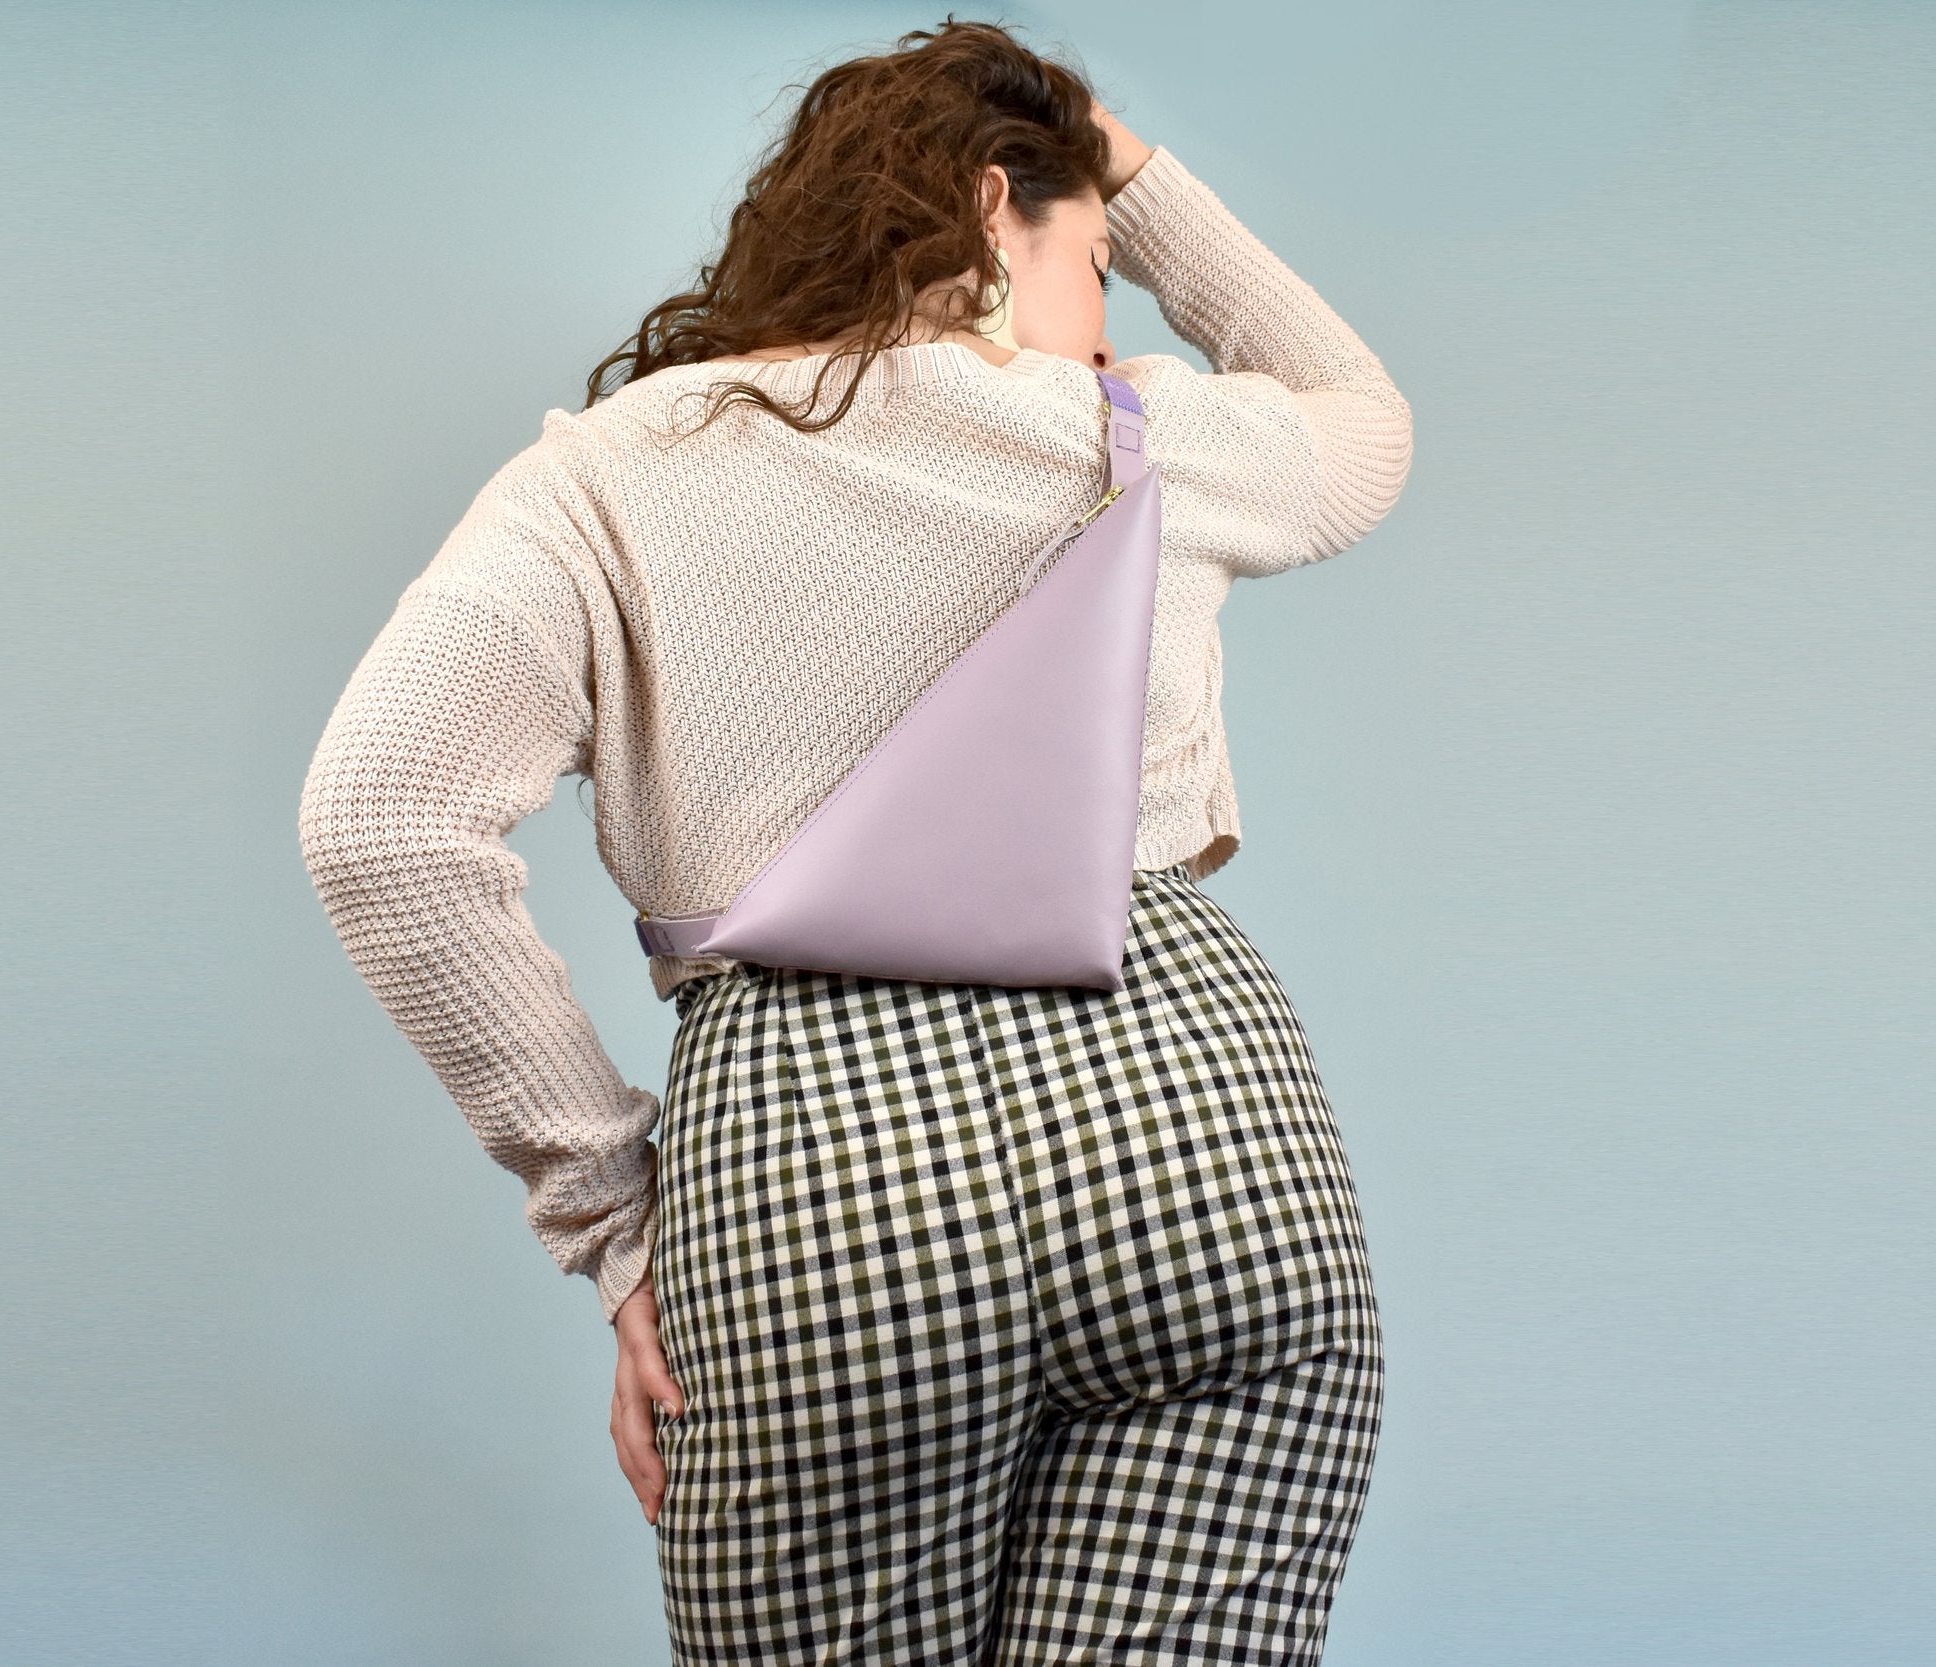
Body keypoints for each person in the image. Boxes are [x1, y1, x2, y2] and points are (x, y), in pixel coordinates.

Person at [298, 18, 1414, 1664]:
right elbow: (1355, 412)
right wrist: (1123, 162)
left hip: (821, 1169)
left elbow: (379, 820)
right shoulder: (1141, 431)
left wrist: (617, 1225)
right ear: (992, 208)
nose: (1102, 311)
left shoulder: (606, 480)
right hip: (1198, 1125)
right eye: (1093, 260)